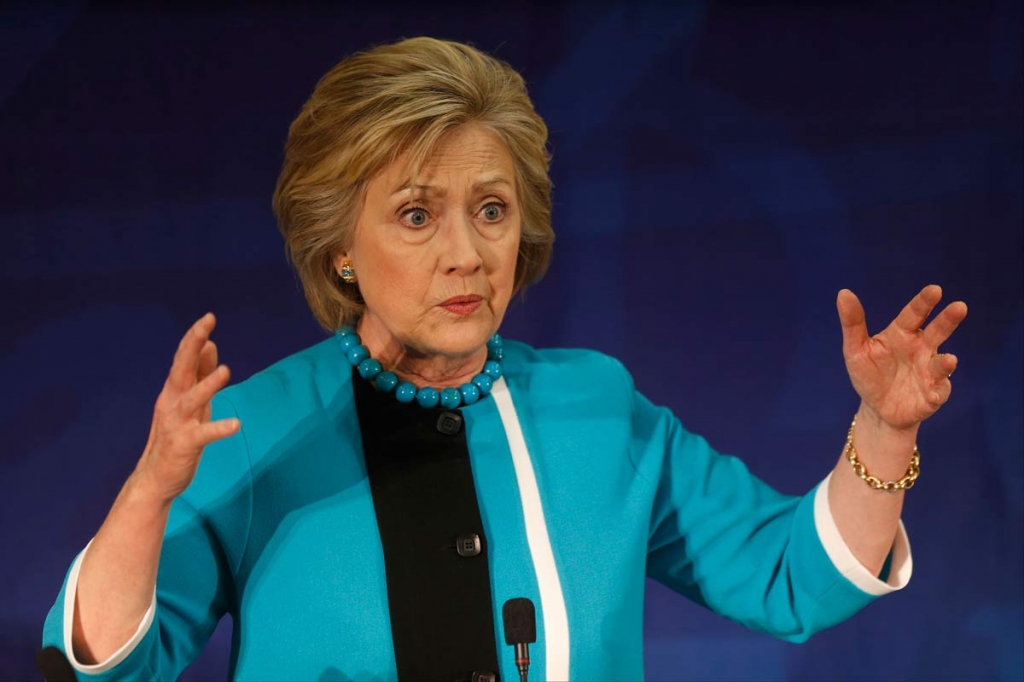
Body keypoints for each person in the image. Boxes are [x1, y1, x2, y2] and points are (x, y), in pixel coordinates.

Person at [42, 37, 967, 681]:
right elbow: (102, 665)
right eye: (416, 214)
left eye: (491, 209)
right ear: (340, 249)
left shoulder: (597, 410)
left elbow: (788, 575)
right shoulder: (260, 429)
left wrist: (885, 432)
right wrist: (152, 489)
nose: (467, 254)